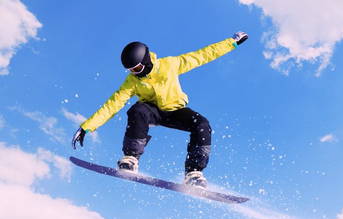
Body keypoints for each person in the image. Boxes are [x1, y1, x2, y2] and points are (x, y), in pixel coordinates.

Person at [72, 31, 248, 188]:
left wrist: (231, 42)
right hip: (152, 112)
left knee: (202, 124)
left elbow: (203, 55)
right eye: (131, 70)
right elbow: (113, 104)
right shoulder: (132, 82)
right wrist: (87, 126)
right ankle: (131, 159)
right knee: (137, 110)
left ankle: (193, 173)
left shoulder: (170, 64)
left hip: (175, 110)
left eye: (138, 68)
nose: (135, 73)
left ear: (146, 60)